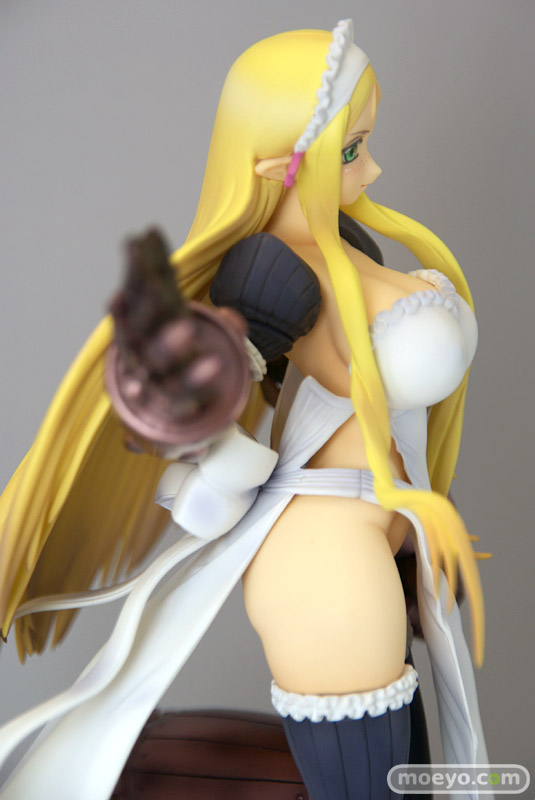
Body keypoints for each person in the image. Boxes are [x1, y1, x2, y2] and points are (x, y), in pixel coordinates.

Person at [0, 20, 490, 800]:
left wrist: (426, 513)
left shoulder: (349, 245)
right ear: (275, 165)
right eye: (350, 150)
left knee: (414, 780)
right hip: (325, 560)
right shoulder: (270, 272)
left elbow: (376, 413)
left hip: (382, 536)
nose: (373, 167)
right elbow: (204, 416)